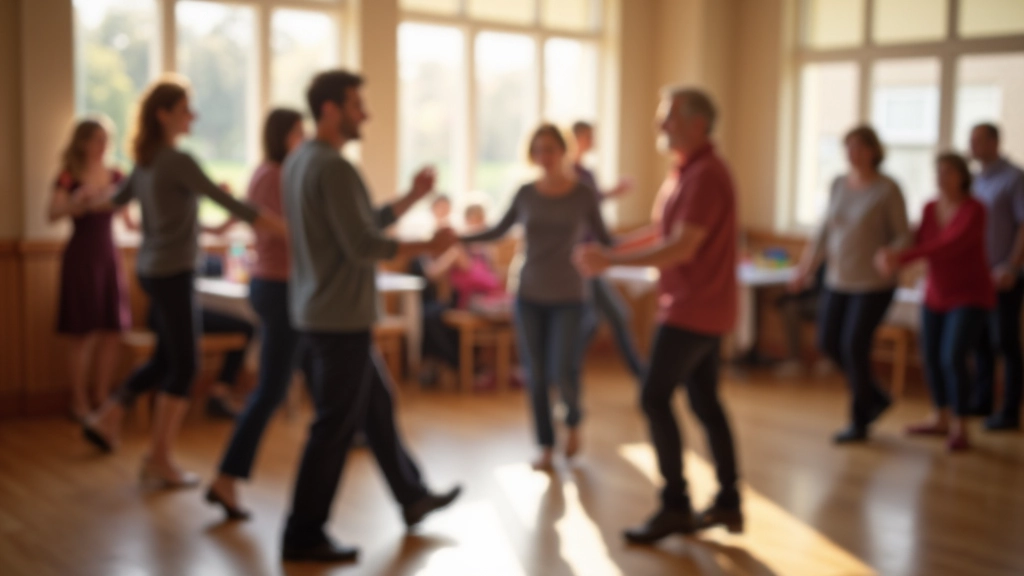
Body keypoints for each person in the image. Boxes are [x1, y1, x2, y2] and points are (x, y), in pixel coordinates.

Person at [281, 70, 461, 563]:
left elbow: (360, 222)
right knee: (334, 427)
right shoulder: (335, 167)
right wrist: (428, 243)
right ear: (331, 109)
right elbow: (363, 243)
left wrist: (411, 197)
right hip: (340, 317)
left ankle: (412, 496)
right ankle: (303, 534)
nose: (366, 114)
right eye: (357, 105)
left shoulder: (300, 161)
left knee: (377, 405)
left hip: (320, 311)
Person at [79, 76, 286, 490]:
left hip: (153, 272)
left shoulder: (146, 161)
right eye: (186, 109)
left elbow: (115, 201)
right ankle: (159, 458)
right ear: (164, 114)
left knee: (166, 358)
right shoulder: (176, 160)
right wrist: (283, 228)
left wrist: (85, 201)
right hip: (172, 274)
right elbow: (229, 203)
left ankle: (108, 416)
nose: (194, 115)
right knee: (186, 365)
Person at [576, 87, 743, 542]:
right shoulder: (688, 172)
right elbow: (663, 231)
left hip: (693, 310)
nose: (660, 125)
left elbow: (681, 247)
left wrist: (611, 260)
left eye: (669, 117)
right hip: (701, 308)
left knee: (654, 397)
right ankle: (729, 502)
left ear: (697, 124)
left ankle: (675, 506)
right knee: (705, 402)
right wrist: (612, 249)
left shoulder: (706, 175)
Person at [462, 124, 612, 471]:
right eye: (538, 150)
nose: (544, 156)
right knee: (537, 373)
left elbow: (606, 239)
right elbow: (498, 230)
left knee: (563, 367)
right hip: (528, 293)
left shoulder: (583, 194)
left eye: (550, 149)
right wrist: (458, 237)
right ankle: (545, 444)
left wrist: (649, 246)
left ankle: (573, 420)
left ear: (563, 151)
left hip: (570, 295)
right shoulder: (525, 193)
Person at [203, 108, 306, 520]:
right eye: (298, 132)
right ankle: (226, 478)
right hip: (278, 287)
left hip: (286, 287)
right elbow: (278, 228)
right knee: (270, 390)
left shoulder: (275, 174)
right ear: (282, 135)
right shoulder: (273, 175)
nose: (304, 139)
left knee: (310, 381)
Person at [791, 125, 910, 444]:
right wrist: (804, 269)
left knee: (854, 345)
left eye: (859, 146)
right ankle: (876, 397)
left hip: (874, 284)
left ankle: (859, 420)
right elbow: (823, 232)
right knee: (828, 341)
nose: (852, 153)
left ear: (873, 151)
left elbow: (903, 235)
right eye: (848, 147)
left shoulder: (887, 189)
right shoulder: (838, 184)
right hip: (837, 279)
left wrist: (891, 252)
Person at [875, 153, 995, 451]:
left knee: (953, 356)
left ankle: (960, 424)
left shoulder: (975, 209)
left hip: (969, 295)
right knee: (930, 355)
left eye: (949, 171)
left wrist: (901, 258)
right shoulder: (930, 207)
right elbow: (916, 239)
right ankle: (940, 416)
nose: (942, 177)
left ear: (962, 176)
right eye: (938, 171)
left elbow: (947, 246)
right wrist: (890, 251)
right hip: (935, 294)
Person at [49, 118, 133, 422]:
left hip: (108, 255)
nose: (103, 145)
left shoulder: (117, 176)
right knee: (81, 333)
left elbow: (129, 221)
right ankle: (79, 400)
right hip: (81, 257)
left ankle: (101, 395)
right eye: (97, 139)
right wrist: (77, 202)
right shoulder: (68, 176)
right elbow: (52, 213)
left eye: (106, 139)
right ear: (83, 142)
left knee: (111, 330)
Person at [571, 121, 645, 379]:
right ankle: (641, 374)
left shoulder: (587, 173)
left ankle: (563, 370)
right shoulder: (568, 175)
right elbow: (584, 202)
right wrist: (612, 192)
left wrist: (615, 243)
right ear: (576, 139)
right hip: (578, 260)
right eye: (588, 136)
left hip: (592, 256)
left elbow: (593, 215)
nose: (593, 141)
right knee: (607, 317)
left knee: (601, 319)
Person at [969, 123, 1024, 430]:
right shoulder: (975, 181)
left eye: (978, 140)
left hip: (1004, 276)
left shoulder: (1014, 178)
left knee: (1005, 341)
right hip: (978, 276)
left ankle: (1010, 411)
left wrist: (1012, 266)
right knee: (980, 341)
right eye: (971, 141)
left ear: (994, 142)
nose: (972, 146)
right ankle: (983, 401)